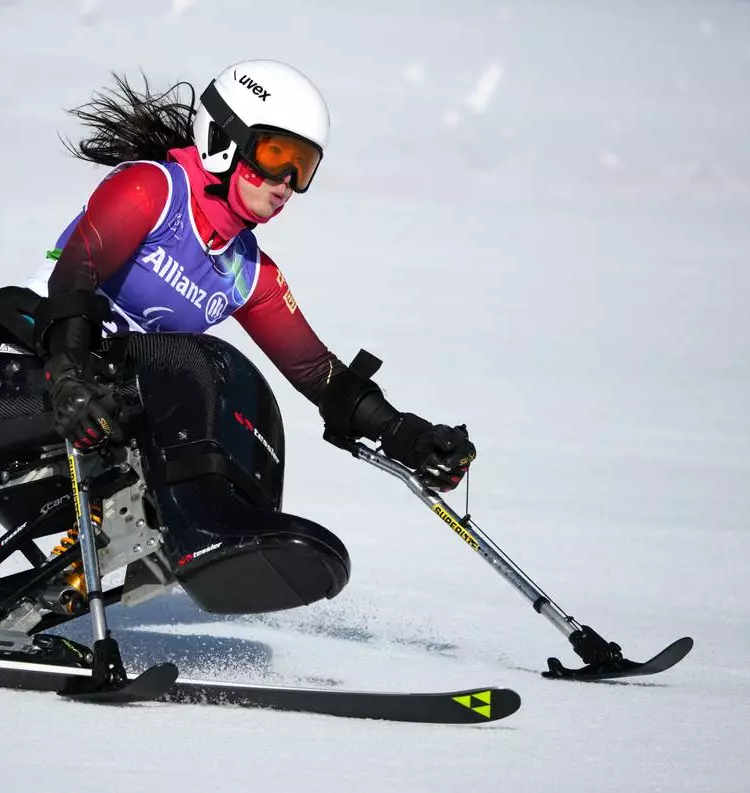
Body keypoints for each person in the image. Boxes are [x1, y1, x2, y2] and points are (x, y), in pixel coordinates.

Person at [30, 59, 475, 491]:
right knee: (203, 366)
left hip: (107, 412)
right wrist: (67, 376)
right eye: (274, 154)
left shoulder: (249, 274)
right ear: (223, 139)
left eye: (302, 166)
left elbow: (319, 373)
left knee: (227, 405)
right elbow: (75, 273)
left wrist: (406, 435)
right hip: (21, 375)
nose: (286, 181)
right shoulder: (155, 190)